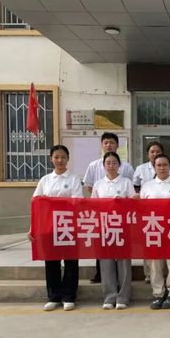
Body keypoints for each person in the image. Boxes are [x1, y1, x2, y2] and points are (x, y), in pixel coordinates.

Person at [30, 145, 83, 312]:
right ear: (51, 159)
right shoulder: (45, 180)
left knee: (71, 261)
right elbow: (36, 203)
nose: (60, 160)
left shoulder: (74, 179)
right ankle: (53, 296)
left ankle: (69, 296)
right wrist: (32, 227)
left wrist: (52, 201)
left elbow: (77, 201)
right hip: (48, 226)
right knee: (51, 261)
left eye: (63, 157)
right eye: (56, 157)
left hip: (68, 225)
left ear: (68, 159)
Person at [83, 132, 134, 284]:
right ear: (102, 145)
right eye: (106, 142)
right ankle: (101, 275)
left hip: (121, 217)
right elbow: (90, 186)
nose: (109, 145)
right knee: (103, 248)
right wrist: (104, 203)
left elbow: (131, 191)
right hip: (103, 216)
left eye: (112, 142)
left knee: (121, 248)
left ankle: (122, 279)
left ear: (117, 145)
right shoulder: (94, 165)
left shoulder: (127, 167)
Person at [140, 154, 170, 310]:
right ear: (154, 167)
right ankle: (158, 294)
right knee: (155, 262)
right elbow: (141, 208)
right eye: (159, 165)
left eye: (165, 165)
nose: (162, 168)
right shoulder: (147, 186)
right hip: (153, 228)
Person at [91, 151, 137, 310]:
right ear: (103, 166)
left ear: (119, 165)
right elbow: (93, 206)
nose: (111, 166)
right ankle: (109, 297)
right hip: (104, 227)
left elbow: (133, 204)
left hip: (123, 226)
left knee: (124, 262)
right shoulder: (98, 184)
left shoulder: (126, 182)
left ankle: (123, 297)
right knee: (106, 262)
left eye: (114, 163)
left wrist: (123, 202)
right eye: (108, 163)